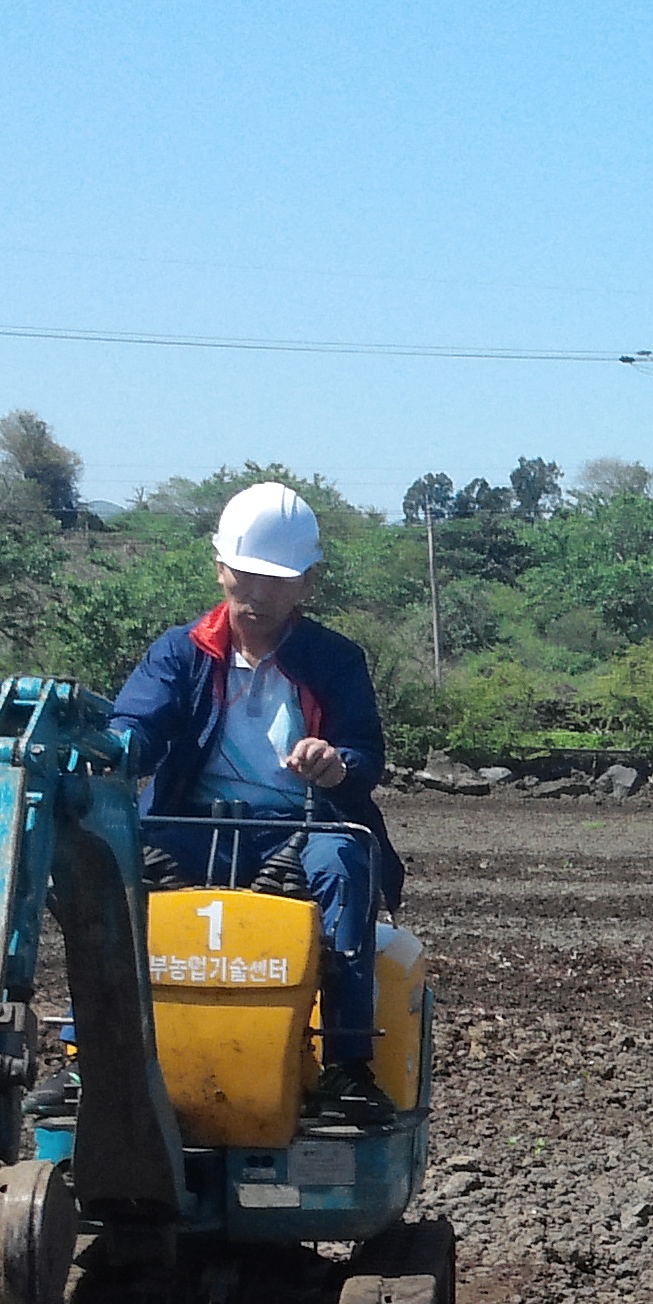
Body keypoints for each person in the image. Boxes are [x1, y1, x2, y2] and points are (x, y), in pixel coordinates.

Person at [75, 481, 406, 1130]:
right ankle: (94, 1055)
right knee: (104, 874)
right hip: (187, 826)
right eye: (246, 574)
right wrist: (116, 753)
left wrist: (337, 765)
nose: (257, 593)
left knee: (343, 862)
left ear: (308, 584)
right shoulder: (181, 652)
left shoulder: (335, 660)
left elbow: (365, 754)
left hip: (300, 825)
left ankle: (346, 1066)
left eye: (277, 580)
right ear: (220, 568)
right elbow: (136, 726)